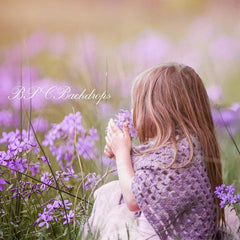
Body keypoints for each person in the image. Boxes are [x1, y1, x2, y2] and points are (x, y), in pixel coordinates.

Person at [85, 62, 232, 239]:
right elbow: (145, 177)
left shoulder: (179, 155)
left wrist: (122, 153)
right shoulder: (184, 147)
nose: (132, 113)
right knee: (113, 191)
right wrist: (122, 152)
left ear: (158, 112)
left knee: (115, 213)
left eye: (138, 107)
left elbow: (134, 199)